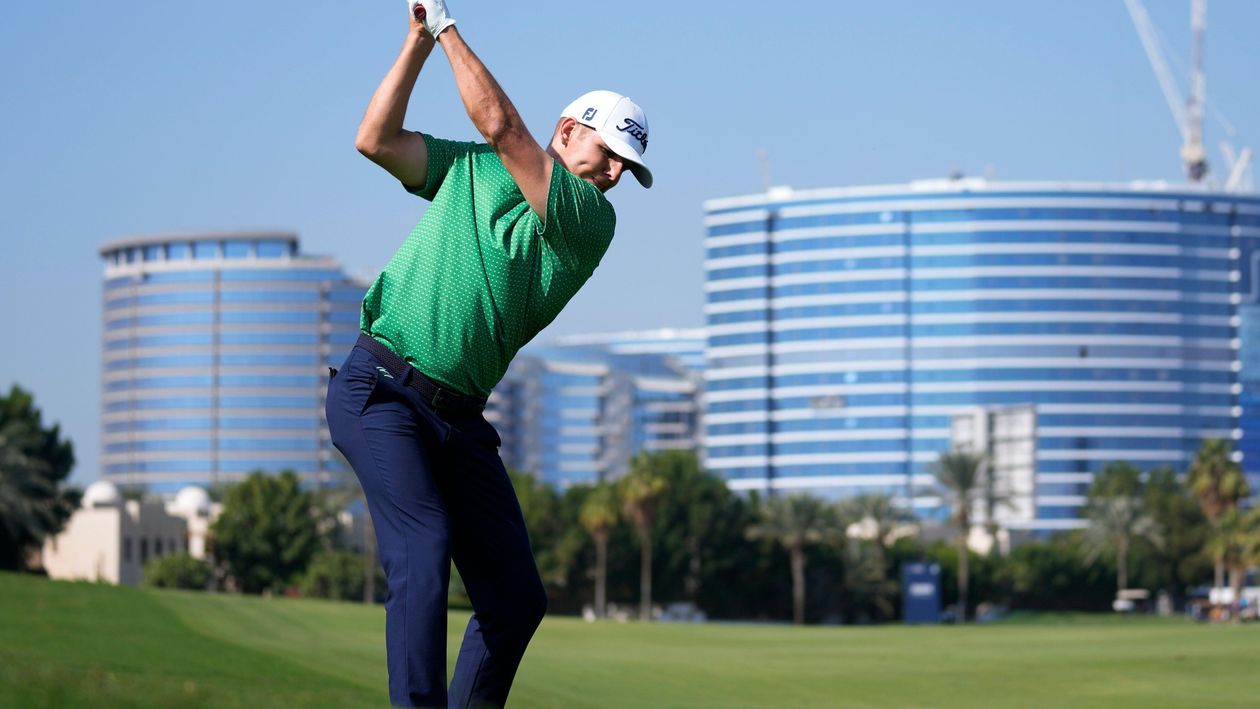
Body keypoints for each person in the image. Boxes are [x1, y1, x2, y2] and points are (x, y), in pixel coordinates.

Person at [324, 1, 652, 706]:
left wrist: (445, 27)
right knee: (423, 548)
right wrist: (416, 42)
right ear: (569, 131)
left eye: (627, 167)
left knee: (515, 597)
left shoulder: (589, 220)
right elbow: (375, 140)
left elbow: (502, 126)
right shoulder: (468, 169)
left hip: (458, 421)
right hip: (381, 390)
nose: (615, 174)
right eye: (609, 154)